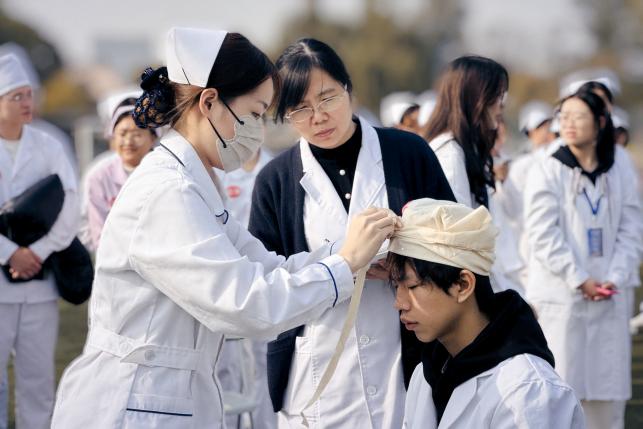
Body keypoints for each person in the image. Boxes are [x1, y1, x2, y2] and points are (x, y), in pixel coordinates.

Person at [51, 27, 396, 429]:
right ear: (210, 102)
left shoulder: (194, 183)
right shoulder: (167, 192)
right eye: (253, 114)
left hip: (166, 395)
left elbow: (265, 266)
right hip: (133, 402)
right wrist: (345, 264)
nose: (257, 131)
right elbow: (248, 304)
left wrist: (348, 255)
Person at [249, 38, 454, 428]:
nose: (318, 117)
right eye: (300, 109)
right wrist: (342, 261)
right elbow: (265, 280)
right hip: (321, 364)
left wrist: (405, 266)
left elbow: (453, 241)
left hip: (404, 353)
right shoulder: (275, 182)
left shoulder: (408, 153)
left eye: (327, 98)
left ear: (349, 90)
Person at [389, 198, 585, 428]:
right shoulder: (426, 373)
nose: (399, 303)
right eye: (396, 286)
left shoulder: (528, 391)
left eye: (412, 286)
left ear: (463, 285)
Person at [524, 89, 642, 429]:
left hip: (608, 294)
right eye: (564, 117)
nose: (569, 124)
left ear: (600, 122)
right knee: (562, 392)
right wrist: (579, 278)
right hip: (563, 296)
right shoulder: (548, 167)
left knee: (606, 400)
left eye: (579, 116)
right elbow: (542, 232)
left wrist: (615, 276)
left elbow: (632, 226)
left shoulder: (618, 165)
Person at [0, 53, 78, 428]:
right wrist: (10, 253)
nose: (26, 102)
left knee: (38, 382)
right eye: (16, 96)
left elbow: (70, 203)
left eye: (28, 94)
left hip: (40, 282)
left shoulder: (50, 144)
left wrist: (36, 252)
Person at [214, 147, 277, 429]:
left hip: (268, 274)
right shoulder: (221, 171)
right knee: (226, 363)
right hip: (230, 277)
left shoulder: (275, 166)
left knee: (266, 360)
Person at [421, 55, 507, 209]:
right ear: (475, 98)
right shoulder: (450, 154)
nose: (501, 105)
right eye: (497, 96)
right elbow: (460, 222)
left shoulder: (464, 147)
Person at [80, 91, 157, 252]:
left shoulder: (164, 172)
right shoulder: (99, 176)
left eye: (137, 134)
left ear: (153, 138)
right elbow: (99, 235)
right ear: (112, 136)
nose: (128, 141)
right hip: (112, 259)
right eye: (122, 134)